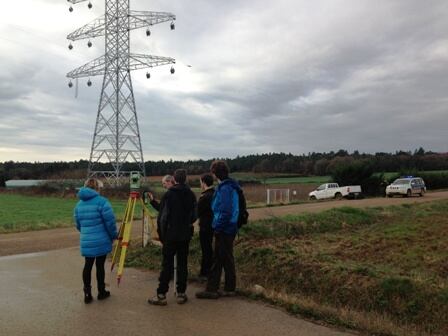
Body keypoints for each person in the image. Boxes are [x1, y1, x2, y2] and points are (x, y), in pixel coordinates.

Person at [148, 169, 197, 305]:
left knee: (167, 265)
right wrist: (187, 225)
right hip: (185, 234)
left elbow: (162, 218)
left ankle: (161, 294)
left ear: (174, 180)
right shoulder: (191, 195)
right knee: (182, 264)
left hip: (170, 235)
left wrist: (162, 236)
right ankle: (181, 293)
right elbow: (194, 215)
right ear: (185, 179)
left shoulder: (169, 195)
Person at [196, 160, 240, 299]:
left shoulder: (225, 188)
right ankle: (229, 288)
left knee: (217, 259)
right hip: (230, 227)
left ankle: (212, 289)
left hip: (224, 229)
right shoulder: (230, 185)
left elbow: (225, 211)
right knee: (226, 259)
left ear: (215, 173)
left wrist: (218, 227)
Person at [74, 178, 118, 304]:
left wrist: (86, 233)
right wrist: (114, 235)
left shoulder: (79, 205)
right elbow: (110, 223)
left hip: (86, 239)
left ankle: (87, 293)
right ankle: (101, 291)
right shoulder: (102, 202)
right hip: (101, 240)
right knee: (100, 266)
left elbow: (78, 224)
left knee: (87, 265)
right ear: (97, 188)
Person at [197, 173, 215, 280]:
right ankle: (209, 271)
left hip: (205, 226)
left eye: (200, 182)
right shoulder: (215, 194)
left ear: (204, 183)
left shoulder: (204, 197)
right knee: (210, 249)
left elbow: (197, 212)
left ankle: (205, 272)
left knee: (206, 250)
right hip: (214, 225)